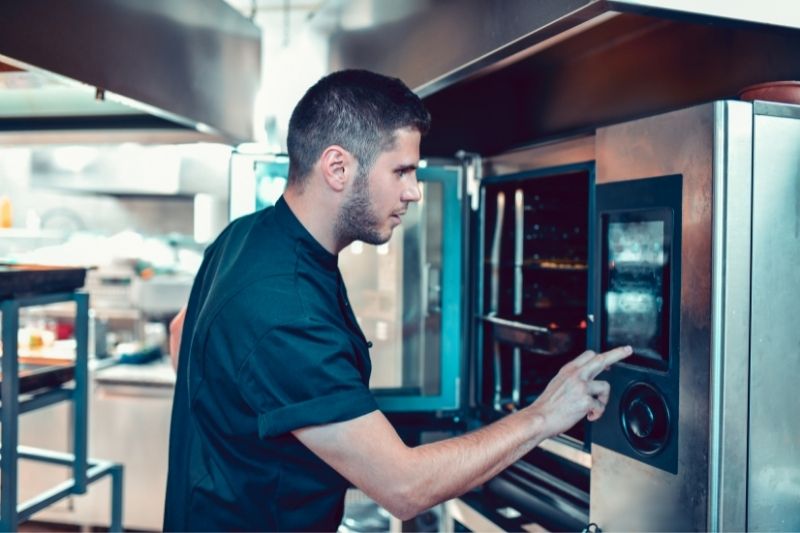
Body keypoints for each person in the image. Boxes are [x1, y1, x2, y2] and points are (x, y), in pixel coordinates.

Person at [163, 69, 631, 532]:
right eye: (402, 171)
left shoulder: (246, 236)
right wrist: (545, 414)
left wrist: (241, 425)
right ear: (338, 167)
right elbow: (404, 488)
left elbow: (183, 332)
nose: (413, 192)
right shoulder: (288, 309)